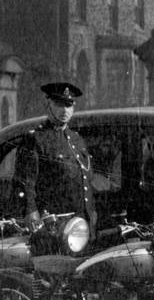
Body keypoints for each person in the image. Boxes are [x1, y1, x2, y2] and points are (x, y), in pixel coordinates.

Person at [14, 81, 96, 228]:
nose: (64, 110)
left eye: (69, 105)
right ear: (48, 105)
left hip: (82, 224)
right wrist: (31, 213)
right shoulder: (36, 139)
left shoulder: (77, 139)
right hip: (55, 224)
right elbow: (26, 183)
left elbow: (87, 179)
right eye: (59, 104)